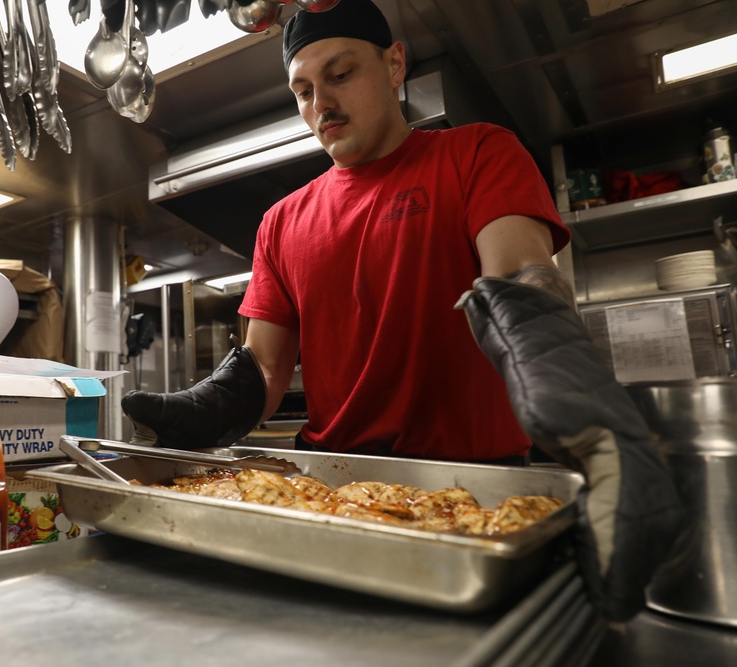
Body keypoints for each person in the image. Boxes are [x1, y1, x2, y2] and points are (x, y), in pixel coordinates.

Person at [122, 0, 682, 621]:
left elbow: (520, 279)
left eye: (340, 75)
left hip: (477, 491)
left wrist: (593, 413)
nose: (321, 106)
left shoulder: (477, 154)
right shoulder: (280, 222)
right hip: (330, 493)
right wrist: (203, 411)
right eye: (303, 90)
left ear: (394, 65)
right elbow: (263, 367)